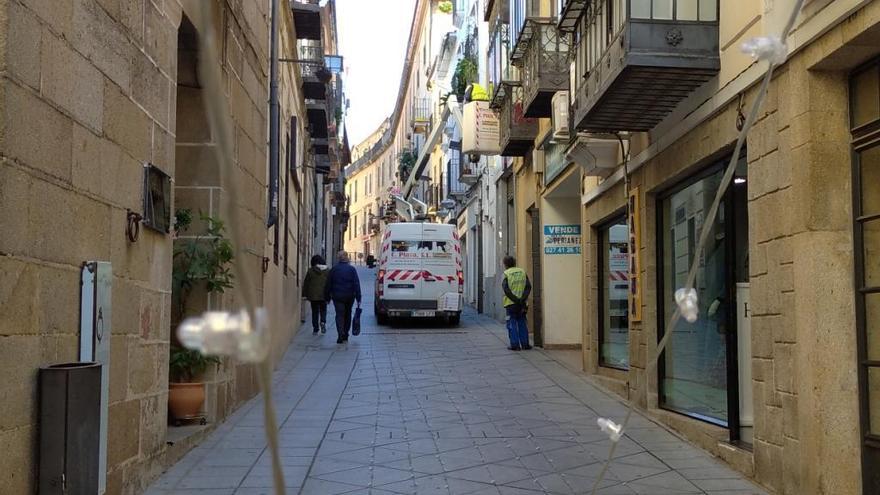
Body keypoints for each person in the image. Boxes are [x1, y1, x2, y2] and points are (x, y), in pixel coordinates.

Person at [324, 251, 362, 343]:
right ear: (347, 258)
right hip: (349, 296)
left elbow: (328, 284)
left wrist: (327, 297)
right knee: (348, 314)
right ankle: (345, 334)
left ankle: (340, 333)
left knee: (339, 315)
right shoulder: (352, 269)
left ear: (339, 258)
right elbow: (356, 284)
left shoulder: (334, 269)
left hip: (337, 296)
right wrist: (358, 297)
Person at [502, 255, 532, 351]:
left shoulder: (506, 274)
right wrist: (522, 299)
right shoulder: (522, 272)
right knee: (522, 322)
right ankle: (525, 344)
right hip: (522, 303)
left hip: (511, 304)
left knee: (512, 323)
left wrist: (515, 299)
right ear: (515, 263)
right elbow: (528, 287)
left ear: (505, 264)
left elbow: (506, 290)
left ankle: (515, 345)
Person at [302, 255, 329, 334]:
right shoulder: (327, 271)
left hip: (313, 295)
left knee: (315, 311)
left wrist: (304, 294)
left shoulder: (311, 270)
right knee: (323, 310)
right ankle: (323, 322)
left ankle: (315, 328)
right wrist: (330, 294)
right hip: (324, 295)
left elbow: (306, 283)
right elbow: (330, 283)